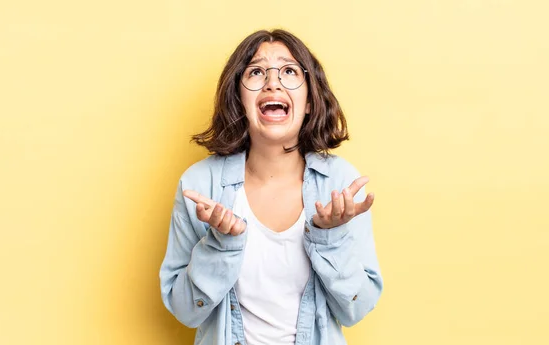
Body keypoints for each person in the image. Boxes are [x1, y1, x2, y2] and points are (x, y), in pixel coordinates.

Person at [159, 29, 383, 345]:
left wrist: (330, 238)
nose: (272, 82)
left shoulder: (340, 184)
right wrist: (220, 244)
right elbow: (185, 311)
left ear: (308, 101)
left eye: (289, 71)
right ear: (238, 98)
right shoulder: (199, 185)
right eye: (256, 72)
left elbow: (356, 309)